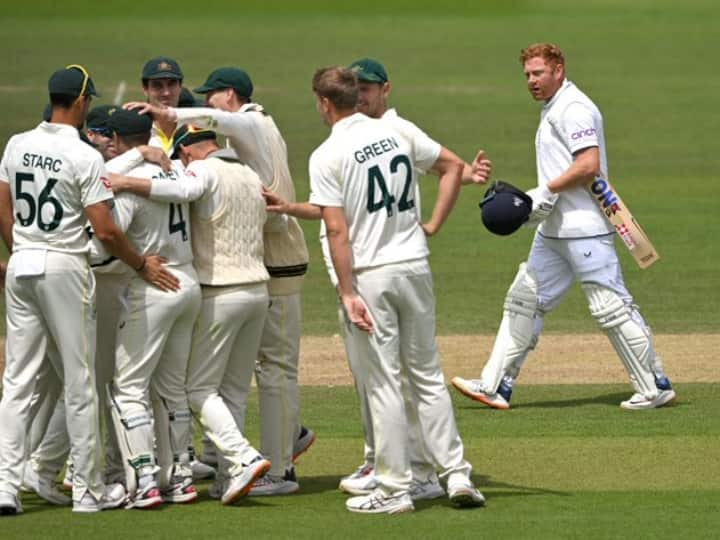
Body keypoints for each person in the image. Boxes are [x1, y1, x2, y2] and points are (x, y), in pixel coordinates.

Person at [264, 57, 492, 500]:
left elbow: (337, 229)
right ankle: (454, 475)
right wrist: (431, 225)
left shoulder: (327, 153)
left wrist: (347, 292)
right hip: (414, 265)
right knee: (427, 375)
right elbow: (451, 168)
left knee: (384, 382)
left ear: (324, 104)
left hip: (373, 274)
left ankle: (392, 486)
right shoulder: (398, 131)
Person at [451, 43, 676, 411]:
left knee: (610, 307)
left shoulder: (574, 108)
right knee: (523, 301)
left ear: (559, 69)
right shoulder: (553, 108)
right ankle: (495, 386)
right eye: (527, 74)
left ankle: (655, 385)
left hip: (585, 227)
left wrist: (546, 190)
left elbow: (589, 164)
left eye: (538, 73)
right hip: (553, 229)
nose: (531, 81)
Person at [125, 68, 315, 495]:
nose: (209, 104)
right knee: (238, 380)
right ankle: (234, 465)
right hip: (259, 276)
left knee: (258, 375)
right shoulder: (242, 164)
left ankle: (273, 465)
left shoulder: (251, 122)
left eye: (212, 97)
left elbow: (191, 179)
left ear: (229, 94)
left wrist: (160, 122)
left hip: (253, 275)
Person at [0, 64, 177, 515]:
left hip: (22, 264)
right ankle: (88, 490)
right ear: (80, 102)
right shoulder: (84, 156)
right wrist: (140, 264)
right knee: (81, 383)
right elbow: (106, 230)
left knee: (18, 382)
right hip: (64, 266)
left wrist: (21, 247)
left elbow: (2, 206)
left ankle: (4, 487)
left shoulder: (17, 143)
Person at [108, 123, 275, 504]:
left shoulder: (199, 170)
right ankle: (196, 478)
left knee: (194, 388)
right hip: (255, 289)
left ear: (186, 151)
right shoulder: (249, 172)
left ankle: (239, 457)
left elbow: (184, 189)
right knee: (226, 389)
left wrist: (128, 181)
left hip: (217, 291)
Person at [141, 56, 183, 155]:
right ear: (145, 89)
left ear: (180, 87)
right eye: (157, 85)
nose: (166, 93)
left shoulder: (194, 125)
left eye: (171, 84)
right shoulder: (135, 129)